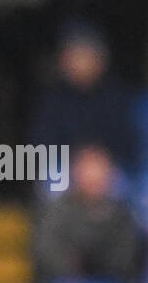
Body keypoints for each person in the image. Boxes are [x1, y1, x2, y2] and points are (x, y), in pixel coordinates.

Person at [31, 23, 140, 173]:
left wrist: (101, 160)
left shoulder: (116, 98)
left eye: (83, 55)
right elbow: (40, 147)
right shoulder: (53, 99)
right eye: (71, 56)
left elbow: (131, 148)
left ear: (100, 61)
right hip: (67, 170)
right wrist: (76, 161)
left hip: (105, 173)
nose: (76, 63)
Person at [34, 143, 141, 282]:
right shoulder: (56, 211)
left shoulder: (122, 215)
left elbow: (126, 258)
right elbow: (47, 252)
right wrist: (75, 269)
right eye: (89, 169)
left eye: (100, 169)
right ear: (76, 172)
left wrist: (98, 265)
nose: (94, 176)